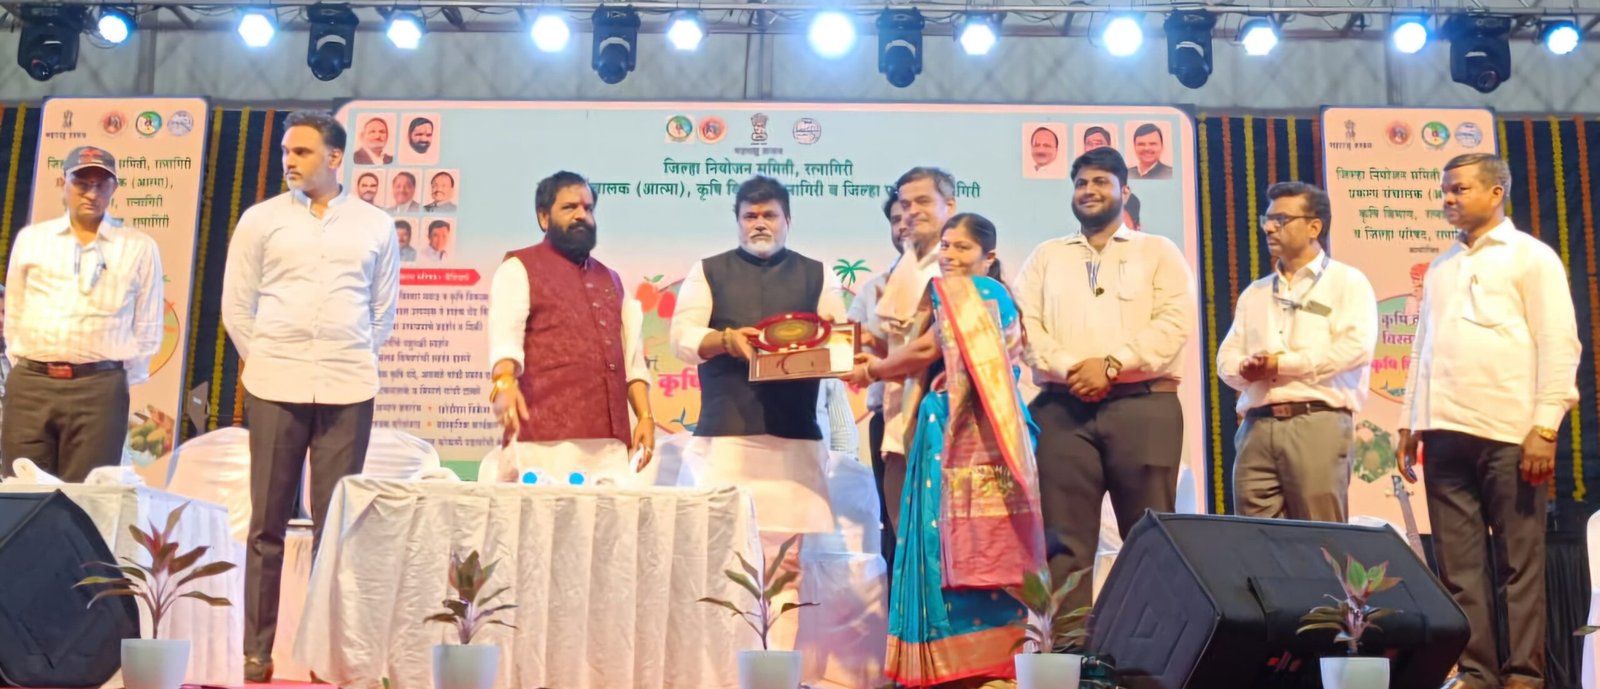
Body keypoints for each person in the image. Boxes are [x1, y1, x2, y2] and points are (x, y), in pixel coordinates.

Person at [221, 109, 401, 683]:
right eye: (285, 152)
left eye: (300, 152)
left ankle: (325, 655)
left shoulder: (375, 225)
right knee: (267, 525)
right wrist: (268, 358)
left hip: (349, 387)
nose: (289, 161)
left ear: (334, 157)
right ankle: (257, 652)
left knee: (335, 527)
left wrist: (352, 353)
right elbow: (237, 307)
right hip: (275, 385)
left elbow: (382, 312)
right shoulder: (261, 220)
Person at [1399, 153, 1580, 689]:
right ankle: (1476, 673)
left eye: (1459, 189)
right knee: (1459, 566)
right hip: (1444, 431)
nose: (1447, 199)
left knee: (1519, 561)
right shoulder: (1441, 266)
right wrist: (1410, 422)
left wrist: (1545, 426)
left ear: (1496, 192)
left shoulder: (1532, 257)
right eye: (1445, 190)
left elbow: (1558, 343)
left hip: (1510, 433)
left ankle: (1524, 674)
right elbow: (1422, 349)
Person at [845, 213, 1044, 687]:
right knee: (936, 539)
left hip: (974, 438)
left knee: (953, 542)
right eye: (947, 246)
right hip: (954, 431)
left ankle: (977, 665)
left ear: (989, 257)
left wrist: (872, 371)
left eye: (963, 248)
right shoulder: (958, 296)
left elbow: (924, 351)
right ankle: (950, 663)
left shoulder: (981, 294)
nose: (950, 256)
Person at [669, 175, 847, 655]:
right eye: (750, 216)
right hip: (728, 440)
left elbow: (838, 341)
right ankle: (724, 671)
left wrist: (818, 353)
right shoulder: (708, 271)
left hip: (794, 441)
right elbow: (681, 338)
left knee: (786, 567)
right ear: (737, 221)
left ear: (788, 220)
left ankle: (777, 669)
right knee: (723, 565)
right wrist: (726, 340)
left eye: (770, 215)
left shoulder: (818, 275)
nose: (760, 224)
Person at [1014, 147, 1194, 615]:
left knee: (1149, 538)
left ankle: (1149, 649)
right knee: (1063, 543)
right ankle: (1067, 651)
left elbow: (1173, 324)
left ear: (1124, 191)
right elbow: (1024, 327)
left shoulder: (1158, 251)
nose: (1088, 191)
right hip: (1062, 409)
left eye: (1100, 181)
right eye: (1081, 183)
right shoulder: (1046, 256)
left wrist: (1112, 366)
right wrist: (1075, 370)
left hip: (1143, 407)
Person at [1, 146, 164, 482]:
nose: (91, 193)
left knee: (87, 495)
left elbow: (148, 325)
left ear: (114, 188)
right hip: (31, 384)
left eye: (101, 184)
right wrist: (31, 365)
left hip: (99, 389)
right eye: (82, 183)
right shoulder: (32, 240)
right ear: (63, 182)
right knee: (22, 489)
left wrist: (110, 376)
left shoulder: (138, 245)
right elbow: (14, 312)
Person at [1217, 181, 1376, 522]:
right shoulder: (1255, 293)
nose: (1269, 228)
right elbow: (1225, 358)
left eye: (1281, 220)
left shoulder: (1347, 282)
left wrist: (1282, 365)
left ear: (1314, 227)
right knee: (1255, 538)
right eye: (1267, 220)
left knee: (1320, 538)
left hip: (1316, 420)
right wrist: (1246, 368)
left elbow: (1354, 349)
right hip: (1256, 426)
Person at [487, 171, 654, 483]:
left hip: (609, 447)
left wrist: (644, 415)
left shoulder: (612, 280)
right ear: (543, 217)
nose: (581, 215)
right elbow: (506, 337)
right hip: (543, 443)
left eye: (588, 208)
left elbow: (632, 360)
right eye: (569, 207)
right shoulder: (519, 268)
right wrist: (505, 382)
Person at [876, 167, 956, 534]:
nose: (911, 212)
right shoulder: (906, 265)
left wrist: (873, 369)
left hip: (945, 415)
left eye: (923, 201)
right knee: (905, 534)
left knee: (940, 534)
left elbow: (931, 345)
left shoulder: (958, 260)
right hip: (900, 411)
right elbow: (895, 340)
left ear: (949, 205)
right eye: (906, 204)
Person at [847, 190, 907, 569]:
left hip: (945, 419)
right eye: (896, 219)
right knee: (894, 527)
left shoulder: (955, 283)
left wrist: (880, 360)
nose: (903, 226)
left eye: (911, 216)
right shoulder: (873, 289)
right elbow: (847, 344)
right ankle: (897, 607)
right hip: (887, 419)